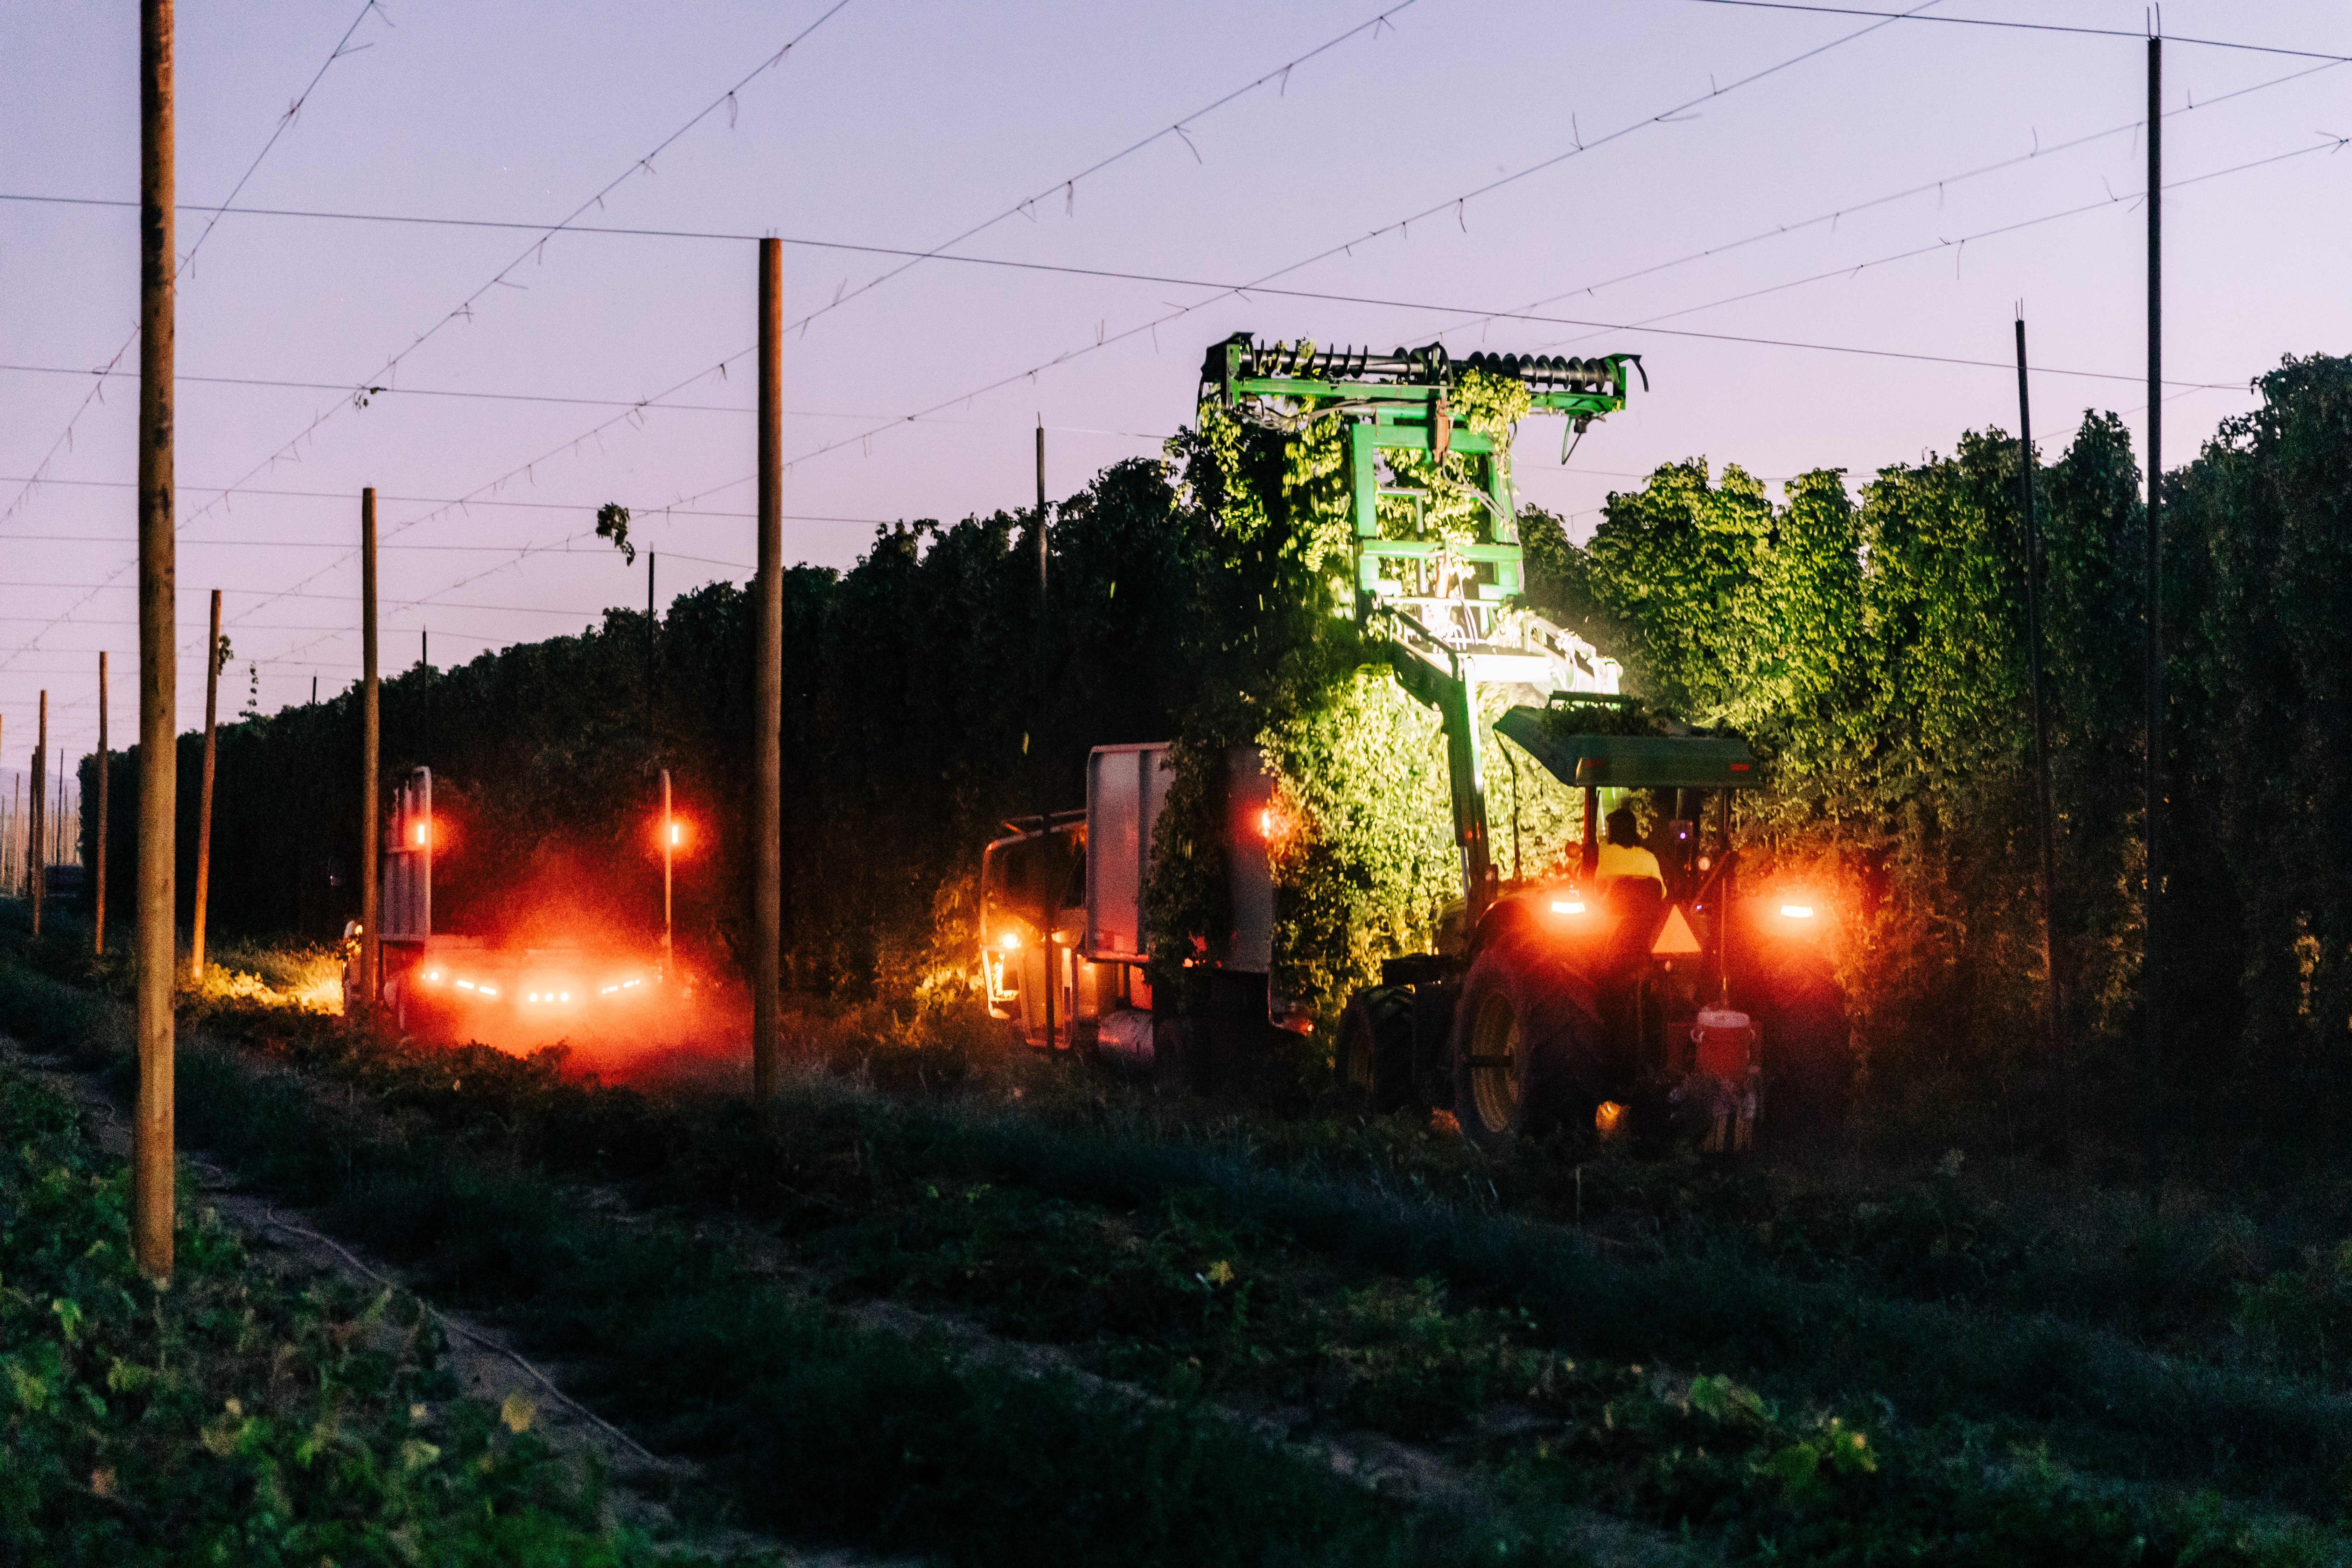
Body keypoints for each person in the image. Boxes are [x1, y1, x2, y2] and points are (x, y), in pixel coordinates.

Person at [1595, 805, 1662, 892]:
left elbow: (1589, 886)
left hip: (1607, 906)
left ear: (1611, 831)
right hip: (1641, 906)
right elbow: (1661, 892)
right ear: (1634, 830)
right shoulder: (1649, 859)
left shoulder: (1599, 855)